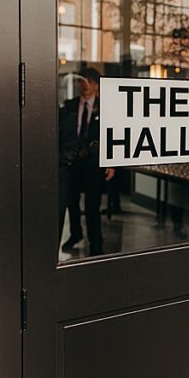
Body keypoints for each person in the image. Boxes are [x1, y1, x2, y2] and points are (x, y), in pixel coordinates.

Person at [60, 67, 115, 256]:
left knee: (92, 207)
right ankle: (76, 234)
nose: (85, 85)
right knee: (71, 203)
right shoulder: (69, 105)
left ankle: (96, 244)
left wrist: (111, 163)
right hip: (72, 163)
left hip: (94, 165)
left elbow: (111, 136)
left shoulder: (106, 107)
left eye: (89, 82)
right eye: (82, 81)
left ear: (96, 85)